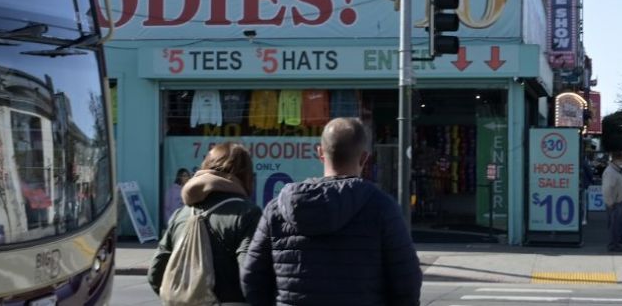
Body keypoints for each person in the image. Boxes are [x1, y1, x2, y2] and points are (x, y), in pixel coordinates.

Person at [241, 117, 421, 305]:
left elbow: (252, 278)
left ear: (320, 153)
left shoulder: (277, 209)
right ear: (364, 158)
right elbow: (406, 282)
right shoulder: (382, 208)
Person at [149, 143, 261, 305]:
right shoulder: (248, 213)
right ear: (245, 176)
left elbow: (155, 272)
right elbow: (251, 275)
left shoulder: (180, 214)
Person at [600, 151, 622, 253]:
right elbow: (607, 189)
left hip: (617, 202)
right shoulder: (612, 172)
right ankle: (613, 245)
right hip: (615, 203)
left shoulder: (616, 171)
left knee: (616, 225)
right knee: (614, 225)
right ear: (616, 160)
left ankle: (615, 244)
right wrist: (610, 202)